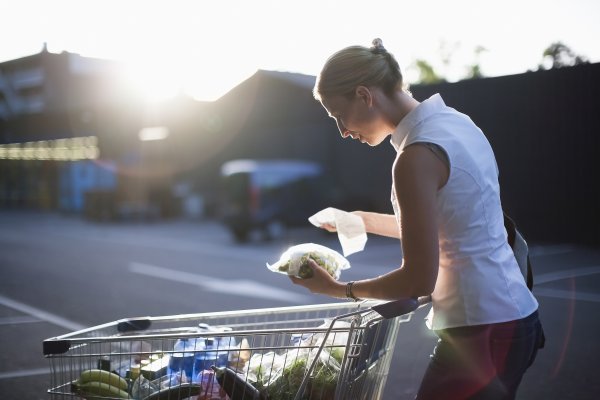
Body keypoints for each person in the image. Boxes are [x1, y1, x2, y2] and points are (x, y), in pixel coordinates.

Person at [290, 38, 544, 399]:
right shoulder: (456, 123)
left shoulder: (415, 156)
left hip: (481, 331)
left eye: (338, 115)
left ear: (364, 95)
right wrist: (362, 220)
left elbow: (417, 280)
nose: (343, 131)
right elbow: (451, 225)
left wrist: (339, 289)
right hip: (514, 319)